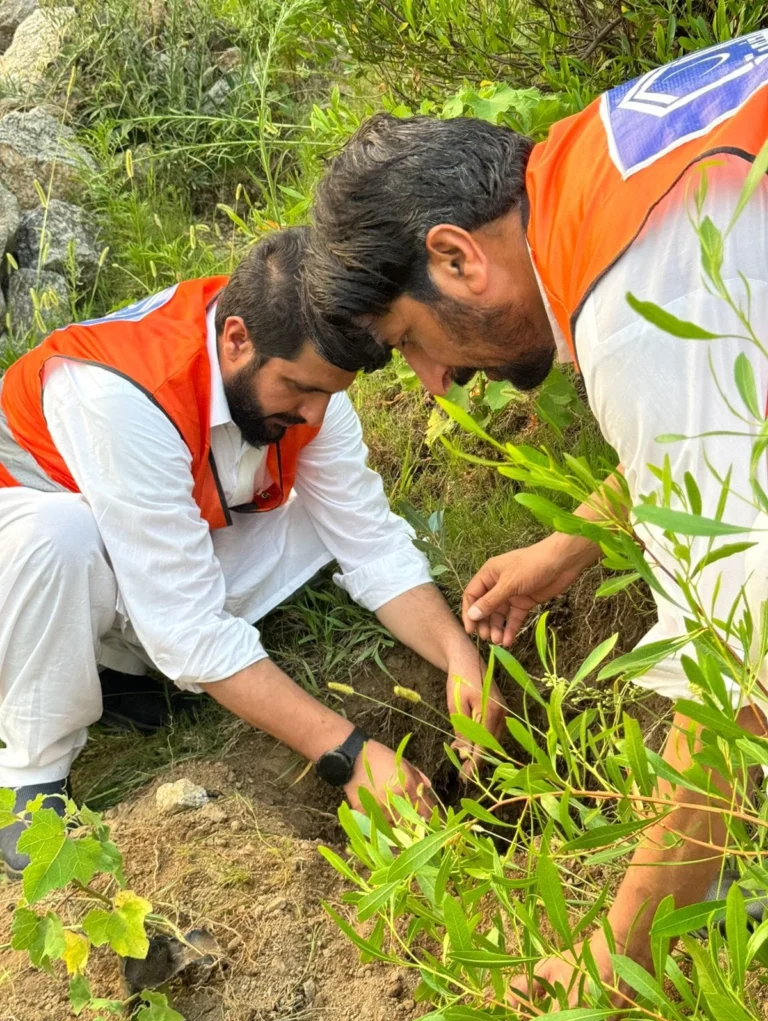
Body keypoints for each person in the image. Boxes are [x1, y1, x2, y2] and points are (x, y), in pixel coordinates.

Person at [304, 32, 768, 1006]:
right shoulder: (603, 156)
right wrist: (574, 542)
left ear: (455, 255)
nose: (434, 385)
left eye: (410, 344)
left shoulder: (636, 298)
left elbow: (736, 669)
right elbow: (741, 414)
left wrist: (615, 953)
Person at [0, 226, 504, 875]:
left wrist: (460, 657)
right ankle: (29, 779)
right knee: (60, 540)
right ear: (236, 340)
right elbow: (185, 622)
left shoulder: (305, 382)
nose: (316, 416)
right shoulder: (121, 394)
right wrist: (346, 753)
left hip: (139, 556)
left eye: (331, 393)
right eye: (300, 390)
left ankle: (122, 676)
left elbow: (368, 538)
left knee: (322, 522)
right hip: (29, 571)